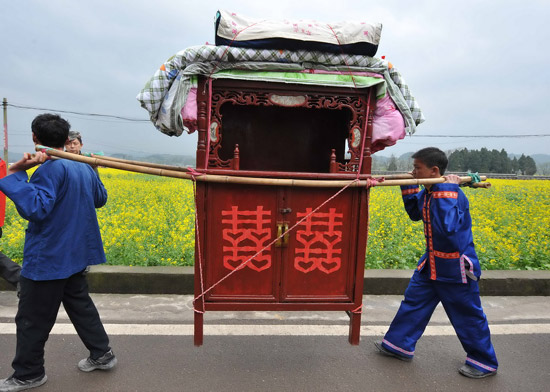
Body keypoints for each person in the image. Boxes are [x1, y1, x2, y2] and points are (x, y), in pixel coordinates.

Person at [0, 114, 116, 392]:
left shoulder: (50, 169)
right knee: (80, 305)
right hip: (77, 254)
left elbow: (35, 209)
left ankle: (29, 374)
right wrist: (91, 169)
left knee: (31, 317)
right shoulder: (82, 166)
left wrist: (16, 174)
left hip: (50, 257)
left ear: (34, 138)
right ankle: (102, 354)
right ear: (67, 140)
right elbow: (100, 199)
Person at [374, 147, 498, 379]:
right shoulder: (429, 192)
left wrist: (448, 191)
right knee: (414, 303)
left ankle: (484, 362)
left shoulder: (452, 195)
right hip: (431, 263)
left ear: (434, 170)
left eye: (417, 168)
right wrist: (409, 184)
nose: (413, 171)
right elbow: (415, 213)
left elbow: (447, 230)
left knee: (467, 315)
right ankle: (398, 345)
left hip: (456, 268)